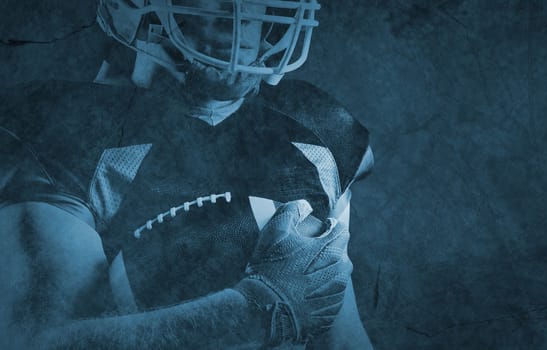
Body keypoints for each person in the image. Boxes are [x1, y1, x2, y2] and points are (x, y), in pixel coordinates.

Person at [0, 0, 374, 348]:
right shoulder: (64, 129)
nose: (243, 12)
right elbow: (40, 341)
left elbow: (340, 334)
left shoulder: (318, 129)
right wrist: (253, 312)